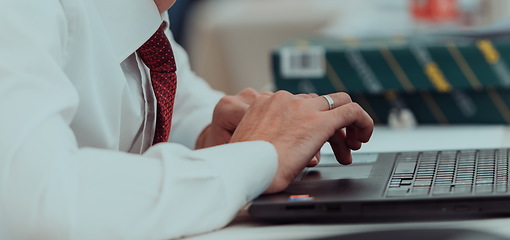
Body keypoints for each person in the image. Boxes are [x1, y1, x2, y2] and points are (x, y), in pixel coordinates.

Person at [0, 0, 374, 239]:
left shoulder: (144, 13)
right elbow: (34, 202)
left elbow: (176, 100)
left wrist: (214, 132)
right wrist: (254, 156)